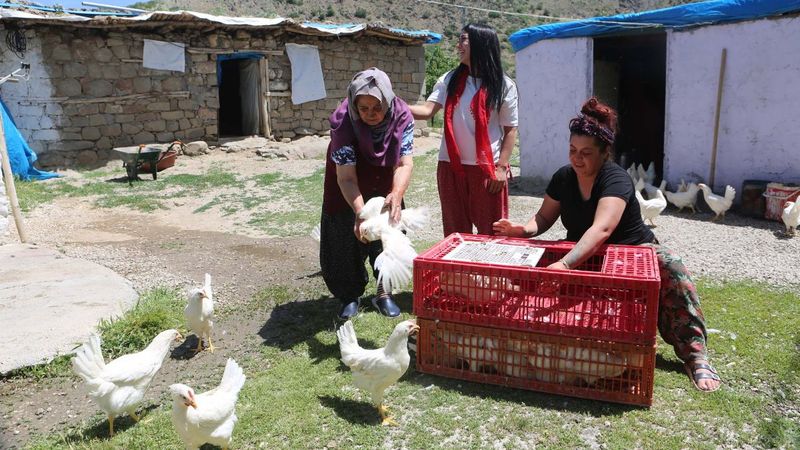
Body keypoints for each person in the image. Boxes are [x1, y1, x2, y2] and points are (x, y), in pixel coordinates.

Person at [493, 97, 722, 392]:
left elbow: (601, 229)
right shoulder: (563, 177)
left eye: (586, 153)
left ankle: (695, 355)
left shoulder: (616, 178)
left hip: (631, 251)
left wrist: (564, 264)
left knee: (672, 267)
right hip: (581, 251)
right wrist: (521, 230)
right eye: (573, 151)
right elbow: (543, 218)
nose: (577, 159)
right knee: (528, 271)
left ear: (604, 153)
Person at [320, 68, 415, 320]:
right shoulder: (343, 123)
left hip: (385, 179)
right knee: (343, 239)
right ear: (354, 104)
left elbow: (404, 163)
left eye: (377, 107)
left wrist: (396, 192)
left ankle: (384, 292)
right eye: (364, 108)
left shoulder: (402, 116)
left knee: (388, 235)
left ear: (388, 100)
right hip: (346, 182)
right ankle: (349, 295)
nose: (371, 114)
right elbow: (347, 178)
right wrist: (361, 213)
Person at [409, 23, 518, 237]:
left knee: (492, 231)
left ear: (480, 44)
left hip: (487, 170)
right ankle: (457, 272)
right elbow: (427, 110)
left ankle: (489, 271)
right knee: (455, 231)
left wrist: (502, 168)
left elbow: (510, 130)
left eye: (463, 40)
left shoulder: (504, 85)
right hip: (451, 166)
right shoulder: (449, 79)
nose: (458, 45)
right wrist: (394, 105)